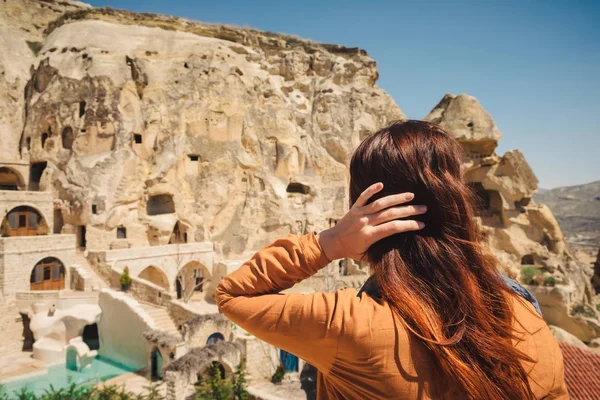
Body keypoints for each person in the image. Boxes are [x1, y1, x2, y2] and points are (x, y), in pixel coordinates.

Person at [216, 120, 568, 399]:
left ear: (366, 209)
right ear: (458, 204)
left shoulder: (350, 327)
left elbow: (233, 296)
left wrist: (333, 241)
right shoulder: (527, 319)